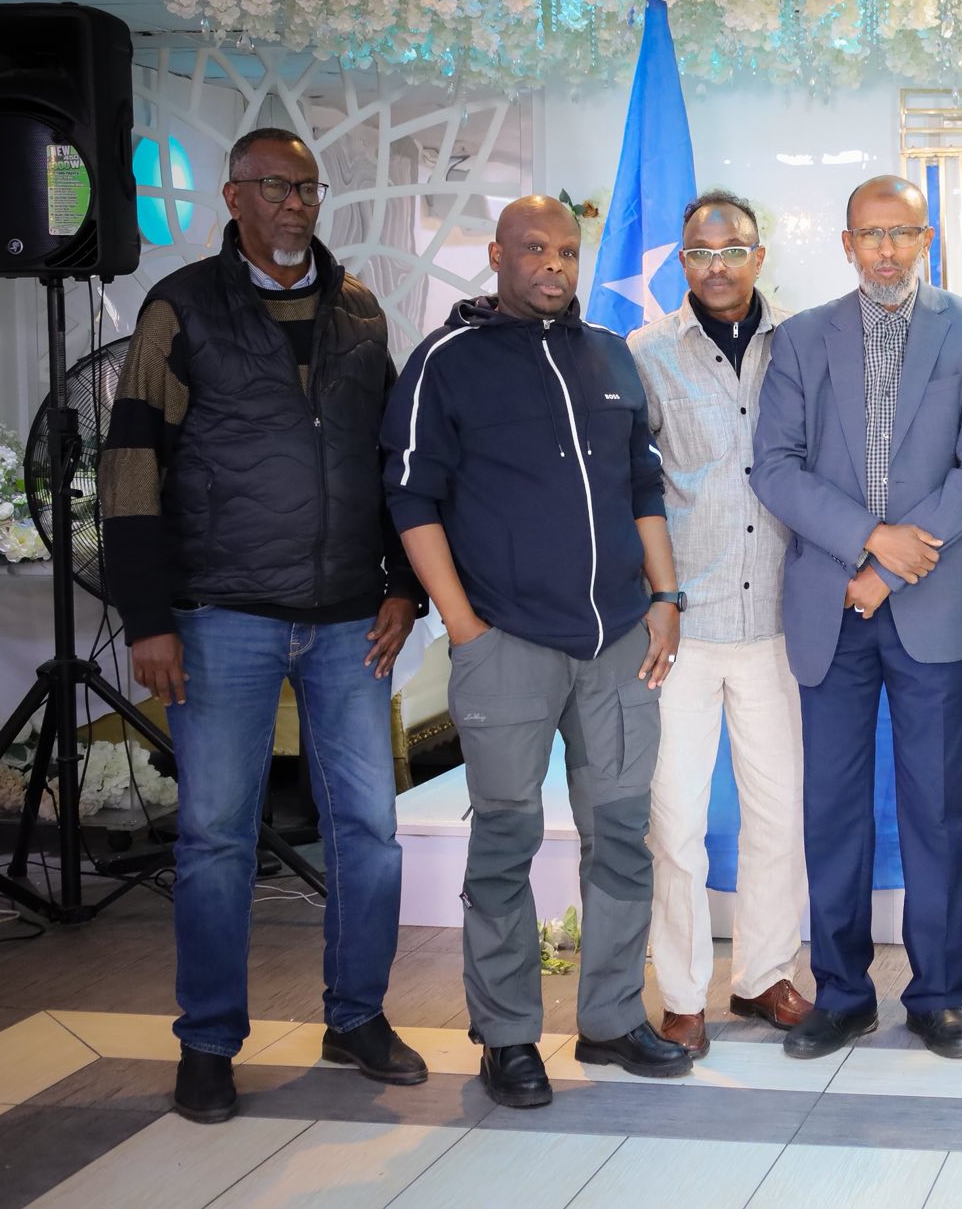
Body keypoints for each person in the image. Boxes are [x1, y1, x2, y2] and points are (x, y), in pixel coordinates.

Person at [101, 127, 429, 1124]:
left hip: (348, 618)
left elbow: (390, 464)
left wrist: (403, 584)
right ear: (233, 197)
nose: (295, 204)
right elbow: (130, 466)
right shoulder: (179, 309)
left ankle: (356, 1015)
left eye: (307, 188)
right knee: (214, 837)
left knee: (369, 831)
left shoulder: (360, 309)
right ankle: (208, 1041)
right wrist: (147, 617)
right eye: (275, 187)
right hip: (220, 616)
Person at [382, 195, 690, 1109]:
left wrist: (666, 597)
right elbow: (410, 498)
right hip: (506, 642)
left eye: (565, 250)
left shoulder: (609, 354)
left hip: (618, 642)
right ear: (497, 255)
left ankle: (611, 1020)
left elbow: (642, 483)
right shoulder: (446, 361)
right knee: (505, 841)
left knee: (621, 837)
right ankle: (509, 1035)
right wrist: (463, 626)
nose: (553, 264)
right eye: (533, 249)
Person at [752, 174, 962, 1060]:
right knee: (834, 809)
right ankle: (843, 993)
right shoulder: (800, 339)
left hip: (931, 605)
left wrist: (891, 569)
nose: (886, 250)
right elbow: (775, 467)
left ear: (926, 238)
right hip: (831, 604)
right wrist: (867, 545)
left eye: (902, 233)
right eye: (871, 234)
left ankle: (936, 997)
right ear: (847, 243)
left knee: (934, 809)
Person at [627, 189, 812, 1056]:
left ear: (758, 256)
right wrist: (657, 597)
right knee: (675, 822)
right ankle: (683, 993)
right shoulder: (645, 354)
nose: (718, 266)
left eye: (734, 249)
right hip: (683, 628)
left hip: (778, 619)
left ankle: (765, 975)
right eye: (701, 252)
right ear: (683, 262)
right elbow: (632, 487)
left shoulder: (802, 346)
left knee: (778, 813)